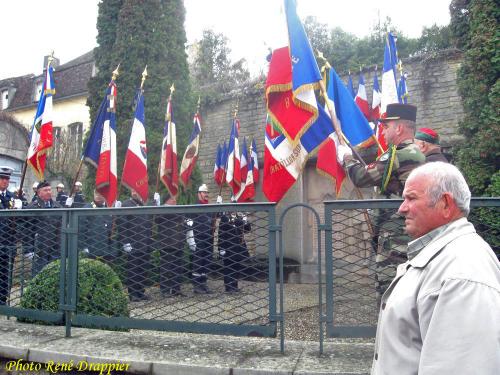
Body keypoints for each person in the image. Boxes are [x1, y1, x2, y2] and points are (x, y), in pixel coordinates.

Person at [372, 162, 500, 375]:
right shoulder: (443, 257)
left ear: (445, 204)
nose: (401, 208)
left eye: (411, 198)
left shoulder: (462, 272)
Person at [339, 103, 426, 304]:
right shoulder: (416, 152)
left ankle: (390, 332)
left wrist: (346, 158)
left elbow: (361, 177)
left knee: (389, 290)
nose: (383, 130)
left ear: (399, 128)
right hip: (407, 232)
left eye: (386, 126)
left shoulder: (399, 155)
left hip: (395, 236)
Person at [118, 189, 152, 302]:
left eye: (136, 190)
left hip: (145, 243)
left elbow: (149, 224)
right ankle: (133, 293)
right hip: (133, 243)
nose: (134, 192)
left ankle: (140, 291)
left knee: (143, 269)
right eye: (132, 190)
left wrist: (156, 204)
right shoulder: (126, 204)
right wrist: (125, 241)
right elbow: (122, 225)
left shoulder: (144, 204)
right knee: (133, 269)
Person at [26, 181, 62, 276]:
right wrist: (29, 249)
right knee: (39, 276)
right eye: (45, 190)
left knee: (54, 275)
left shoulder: (58, 206)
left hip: (56, 248)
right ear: (39, 193)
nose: (49, 192)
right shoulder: (32, 207)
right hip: (40, 249)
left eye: (50, 190)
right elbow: (27, 230)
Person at [187, 184, 216, 294]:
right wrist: (190, 239)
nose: (206, 195)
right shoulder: (194, 207)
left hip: (208, 238)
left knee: (206, 262)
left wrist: (218, 206)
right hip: (198, 238)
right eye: (204, 193)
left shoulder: (208, 207)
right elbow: (188, 223)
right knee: (198, 262)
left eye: (207, 193)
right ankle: (197, 285)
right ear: (199, 194)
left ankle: (203, 284)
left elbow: (216, 218)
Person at [156, 196, 186, 297]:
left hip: (179, 243)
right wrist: (157, 204)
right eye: (172, 198)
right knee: (166, 268)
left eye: (175, 198)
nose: (175, 200)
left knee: (177, 268)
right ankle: (164, 290)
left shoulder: (178, 209)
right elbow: (157, 219)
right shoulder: (162, 210)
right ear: (167, 200)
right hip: (167, 244)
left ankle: (176, 289)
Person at [0, 167, 22, 305]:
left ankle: (2, 299)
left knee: (6, 272)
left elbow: (19, 222)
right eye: (2, 178)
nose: (4, 181)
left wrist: (20, 208)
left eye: (7, 179)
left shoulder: (12, 197)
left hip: (8, 241)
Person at [218, 211, 251, 293]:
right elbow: (221, 233)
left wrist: (246, 221)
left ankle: (235, 286)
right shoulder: (225, 218)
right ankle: (228, 287)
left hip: (238, 246)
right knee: (228, 267)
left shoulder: (239, 218)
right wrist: (221, 248)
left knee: (236, 267)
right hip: (228, 246)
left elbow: (247, 230)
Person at [79, 190, 115, 262]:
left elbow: (111, 231)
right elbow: (81, 230)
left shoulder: (107, 209)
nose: (98, 195)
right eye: (96, 193)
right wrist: (83, 247)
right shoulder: (87, 208)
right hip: (91, 249)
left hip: (105, 250)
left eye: (100, 193)